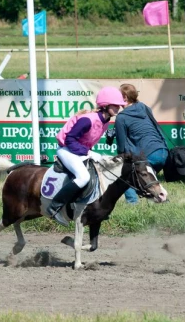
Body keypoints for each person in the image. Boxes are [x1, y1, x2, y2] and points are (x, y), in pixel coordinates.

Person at [48, 86, 127, 225]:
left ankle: (91, 208)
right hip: (66, 149)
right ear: (105, 105)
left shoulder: (106, 121)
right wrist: (88, 153)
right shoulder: (87, 120)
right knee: (83, 177)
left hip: (77, 151)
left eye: (119, 105)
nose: (118, 108)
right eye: (115, 105)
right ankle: (54, 207)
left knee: (100, 171)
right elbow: (69, 140)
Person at [111, 83, 168, 204]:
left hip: (149, 153)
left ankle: (133, 204)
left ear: (125, 97)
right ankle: (160, 199)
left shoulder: (121, 117)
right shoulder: (145, 107)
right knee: (145, 181)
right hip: (162, 151)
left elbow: (122, 148)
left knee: (127, 174)